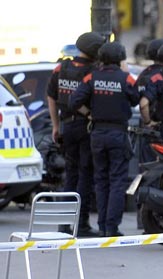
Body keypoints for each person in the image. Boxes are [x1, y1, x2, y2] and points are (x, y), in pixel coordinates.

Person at [70, 41, 140, 237]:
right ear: (120, 59)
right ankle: (112, 227)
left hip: (97, 134)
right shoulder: (126, 79)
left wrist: (90, 114)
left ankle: (101, 226)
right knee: (117, 180)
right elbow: (136, 99)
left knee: (100, 180)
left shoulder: (92, 77)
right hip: (118, 134)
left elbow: (74, 101)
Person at [46, 31, 105, 237]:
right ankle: (81, 225)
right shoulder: (94, 71)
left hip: (66, 127)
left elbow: (51, 97)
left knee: (70, 176)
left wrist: (55, 126)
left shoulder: (61, 67)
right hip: (86, 128)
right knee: (85, 176)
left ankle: (64, 225)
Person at [134, 38, 163, 163]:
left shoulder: (144, 74)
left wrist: (148, 122)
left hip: (148, 130)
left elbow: (135, 100)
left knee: (148, 169)